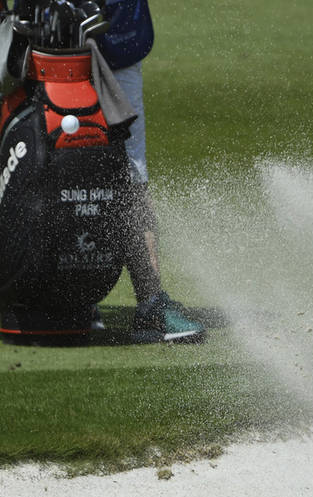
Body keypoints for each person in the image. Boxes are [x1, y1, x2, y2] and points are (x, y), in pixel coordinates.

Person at [95, 0, 205, 343]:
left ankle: (151, 303)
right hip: (48, 44)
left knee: (131, 175)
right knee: (53, 165)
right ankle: (60, 298)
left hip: (117, 43)